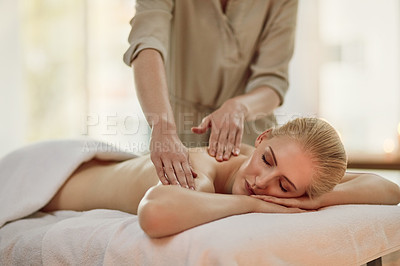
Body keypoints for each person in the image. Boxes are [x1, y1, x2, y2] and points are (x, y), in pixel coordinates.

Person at [42, 118, 400, 238]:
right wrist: (251, 204)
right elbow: (153, 214)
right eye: (267, 160)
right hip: (55, 178)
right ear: (263, 137)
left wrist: (316, 200)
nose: (263, 182)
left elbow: (388, 189)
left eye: (284, 186)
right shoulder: (205, 166)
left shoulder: (300, 177)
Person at [123, 0, 299, 189]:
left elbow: (273, 81)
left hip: (249, 137)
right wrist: (162, 124)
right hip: (175, 132)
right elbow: (147, 43)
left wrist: (239, 108)